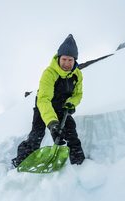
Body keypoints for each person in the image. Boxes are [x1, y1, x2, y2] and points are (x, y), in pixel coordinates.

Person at [12, 34, 85, 168]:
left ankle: (79, 162)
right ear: (58, 58)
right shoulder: (49, 73)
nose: (67, 63)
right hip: (44, 106)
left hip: (62, 107)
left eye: (70, 60)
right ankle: (20, 162)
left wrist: (71, 103)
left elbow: (78, 94)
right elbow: (44, 99)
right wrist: (52, 123)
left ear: (75, 60)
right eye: (64, 59)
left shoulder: (77, 75)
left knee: (71, 132)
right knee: (37, 135)